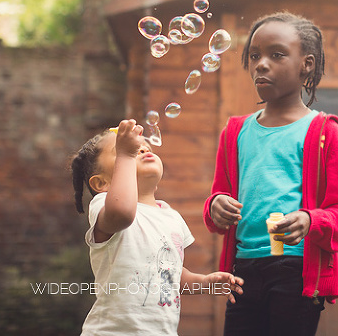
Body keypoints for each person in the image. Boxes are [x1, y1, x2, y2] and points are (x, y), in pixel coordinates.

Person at [203, 12, 338, 336]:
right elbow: (217, 201)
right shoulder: (235, 132)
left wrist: (310, 221)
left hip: (296, 271)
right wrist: (216, 205)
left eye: (276, 54)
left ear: (307, 65)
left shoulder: (325, 132)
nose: (261, 64)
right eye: (255, 55)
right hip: (242, 270)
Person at [70, 119, 243, 335]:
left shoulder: (171, 217)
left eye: (144, 147)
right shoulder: (103, 205)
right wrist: (127, 154)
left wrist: (204, 283)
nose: (140, 148)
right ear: (102, 184)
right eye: (123, 151)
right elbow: (123, 213)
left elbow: (170, 274)